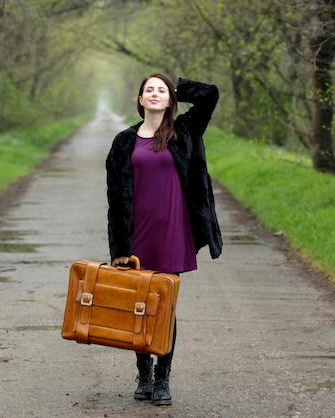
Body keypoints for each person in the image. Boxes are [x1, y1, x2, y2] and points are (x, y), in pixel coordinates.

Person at [105, 74, 223, 406]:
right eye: (149, 91)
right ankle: (143, 376)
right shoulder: (123, 142)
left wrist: (177, 88)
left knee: (164, 307)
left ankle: (162, 380)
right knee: (140, 306)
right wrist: (119, 249)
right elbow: (115, 199)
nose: (154, 94)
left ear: (170, 100)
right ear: (140, 100)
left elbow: (209, 94)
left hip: (173, 232)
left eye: (161, 91)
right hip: (137, 234)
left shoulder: (184, 131)